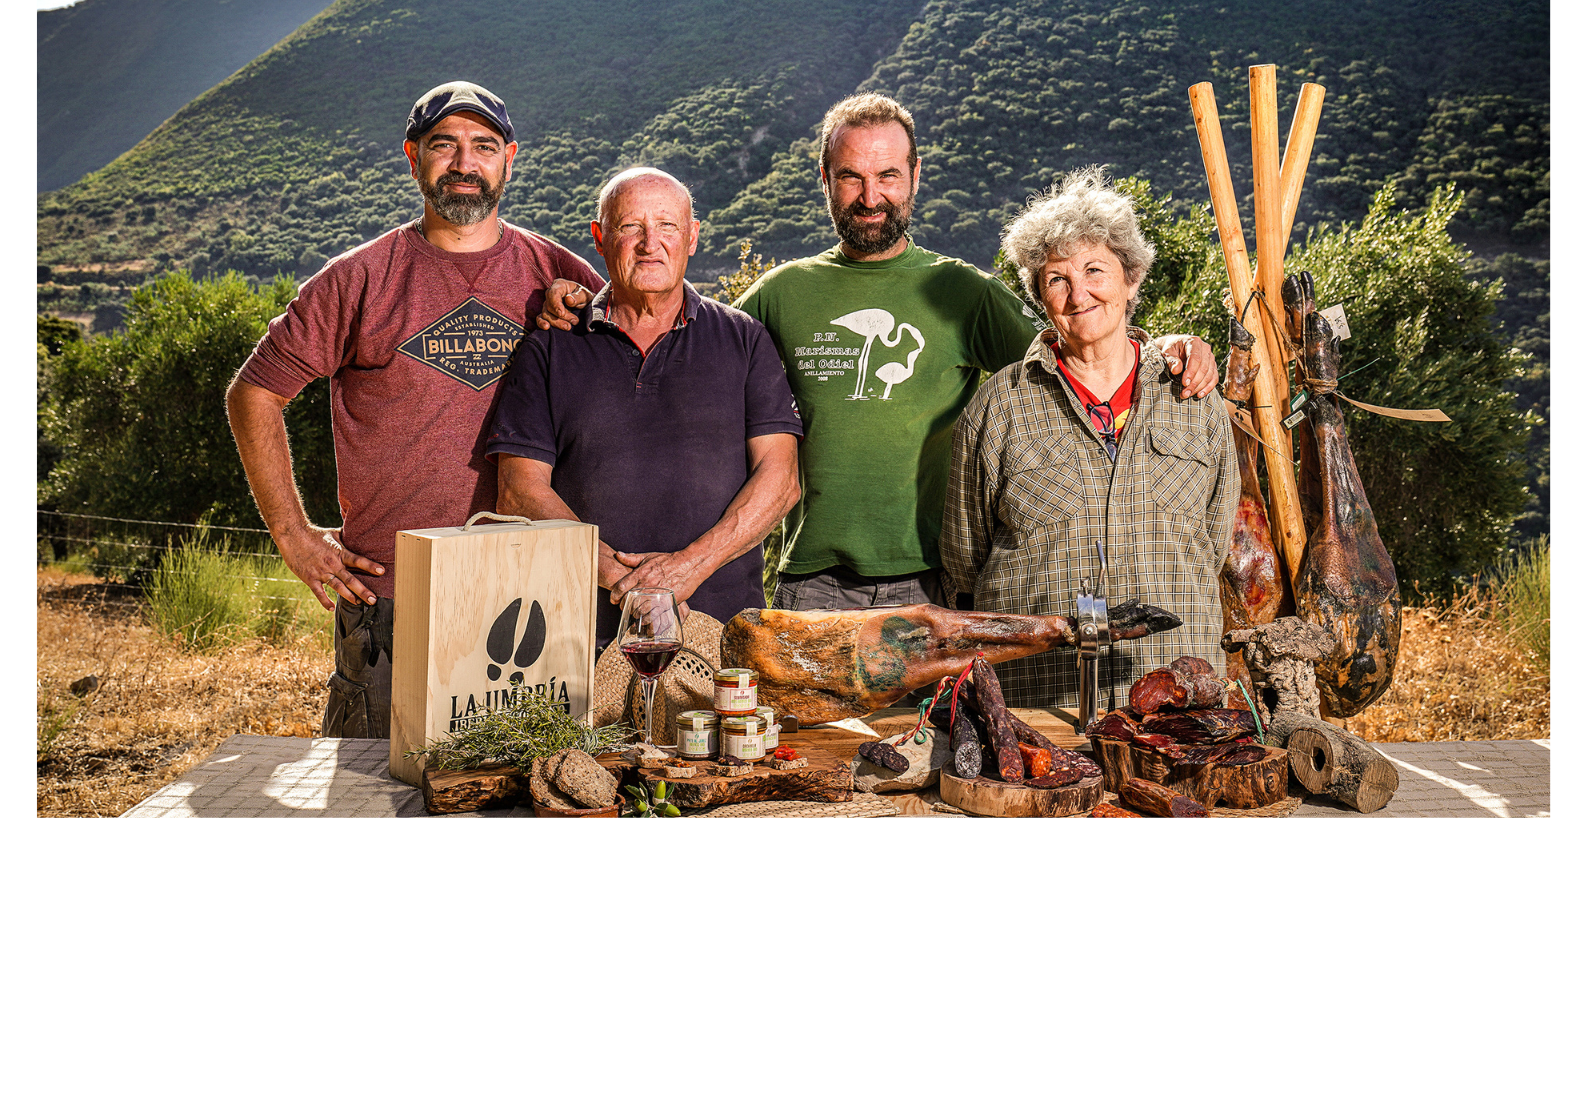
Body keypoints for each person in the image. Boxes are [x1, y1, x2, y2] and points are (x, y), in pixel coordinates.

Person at [544, 93, 1216, 615]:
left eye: (887, 175)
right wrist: (582, 297)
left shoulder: (961, 290)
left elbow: (1075, 347)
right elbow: (673, 335)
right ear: (825, 179)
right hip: (809, 581)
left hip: (935, 580)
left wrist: (1165, 347)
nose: (871, 197)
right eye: (851, 177)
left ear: (914, 175)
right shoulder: (781, 294)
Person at [226, 81, 601, 738]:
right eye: (443, 145)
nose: (464, 162)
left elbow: (647, 360)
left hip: (532, 590)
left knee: (516, 790)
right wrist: (293, 536)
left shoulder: (558, 270)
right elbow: (253, 392)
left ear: (508, 158)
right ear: (412, 157)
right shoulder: (359, 278)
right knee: (373, 789)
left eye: (483, 146)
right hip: (392, 601)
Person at [940, 167, 1238, 718]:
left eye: (1096, 270)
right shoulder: (999, 404)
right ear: (1039, 298)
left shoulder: (1194, 399)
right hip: (1031, 702)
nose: (1079, 294)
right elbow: (963, 561)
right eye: (1057, 279)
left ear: (1131, 280)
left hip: (1176, 698)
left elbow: (1213, 543)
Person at [487, 166, 803, 649]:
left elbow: (780, 481)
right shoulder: (550, 348)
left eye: (668, 226)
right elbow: (518, 492)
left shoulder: (744, 339)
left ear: (692, 237)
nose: (649, 242)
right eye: (630, 226)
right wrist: (622, 580)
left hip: (722, 635)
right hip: (577, 639)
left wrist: (690, 566)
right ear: (599, 237)